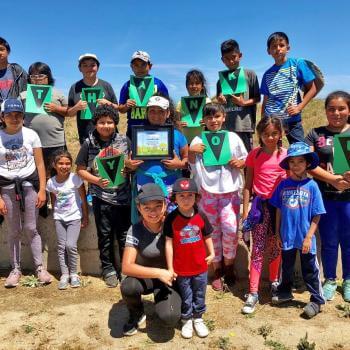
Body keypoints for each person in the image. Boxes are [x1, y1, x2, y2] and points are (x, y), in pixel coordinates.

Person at [188, 103, 247, 291]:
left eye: (217, 117)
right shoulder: (198, 140)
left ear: (223, 118)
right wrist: (191, 152)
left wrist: (240, 163)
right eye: (209, 118)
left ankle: (229, 267)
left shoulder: (233, 137)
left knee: (230, 230)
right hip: (208, 192)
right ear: (203, 120)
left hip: (230, 193)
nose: (213, 121)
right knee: (212, 233)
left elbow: (246, 160)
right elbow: (190, 164)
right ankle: (217, 269)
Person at [76, 104, 131, 287]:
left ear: (115, 123)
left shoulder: (125, 141)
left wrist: (129, 168)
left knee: (124, 235)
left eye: (109, 122)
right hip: (101, 198)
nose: (106, 126)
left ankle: (126, 268)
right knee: (105, 235)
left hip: (123, 197)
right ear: (95, 123)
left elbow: (131, 165)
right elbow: (81, 170)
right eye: (101, 122)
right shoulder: (88, 143)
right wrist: (97, 181)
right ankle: (108, 269)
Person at [270, 142, 326, 318]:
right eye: (292, 162)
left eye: (300, 161)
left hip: (305, 238)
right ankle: (285, 292)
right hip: (287, 236)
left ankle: (317, 300)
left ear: (307, 163)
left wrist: (309, 237)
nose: (296, 165)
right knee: (286, 267)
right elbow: (278, 209)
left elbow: (317, 215)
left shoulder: (312, 186)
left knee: (310, 269)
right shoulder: (283, 185)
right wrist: (277, 233)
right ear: (288, 164)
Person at [0, 99, 52, 287]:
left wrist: (42, 190)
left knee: (31, 228)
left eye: (18, 115)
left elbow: (40, 164)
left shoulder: (31, 135)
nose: (14, 119)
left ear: (23, 116)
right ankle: (15, 269)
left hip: (29, 186)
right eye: (9, 115)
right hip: (6, 188)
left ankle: (39, 267)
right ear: (2, 117)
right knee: (14, 230)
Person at [306, 91, 350, 302]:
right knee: (330, 241)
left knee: (349, 241)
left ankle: (348, 280)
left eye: (341, 108)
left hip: (349, 199)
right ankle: (330, 279)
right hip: (326, 198)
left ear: (349, 110)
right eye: (331, 109)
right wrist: (332, 179)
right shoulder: (315, 134)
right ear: (325, 111)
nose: (336, 113)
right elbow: (308, 164)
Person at [121, 183, 181, 336]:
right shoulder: (135, 229)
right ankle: (136, 313)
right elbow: (127, 267)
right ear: (139, 209)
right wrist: (159, 272)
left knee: (170, 317)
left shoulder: (174, 224)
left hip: (169, 279)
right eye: (147, 207)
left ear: (165, 206)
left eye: (157, 206)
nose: (153, 212)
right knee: (128, 286)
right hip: (146, 278)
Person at [241, 116, 287, 314]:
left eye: (274, 133)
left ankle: (275, 282)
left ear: (281, 134)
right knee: (258, 249)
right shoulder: (254, 155)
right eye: (266, 134)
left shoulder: (286, 155)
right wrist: (245, 212)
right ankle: (253, 291)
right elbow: (248, 185)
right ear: (260, 134)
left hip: (280, 209)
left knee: (276, 246)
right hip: (259, 208)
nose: (270, 137)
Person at [164, 178, 215, 339]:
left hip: (200, 266)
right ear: (175, 199)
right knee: (186, 295)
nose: (186, 200)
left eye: (189, 196)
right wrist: (170, 267)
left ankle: (198, 318)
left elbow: (207, 236)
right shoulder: (171, 219)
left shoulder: (201, 215)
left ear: (196, 197)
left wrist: (212, 253)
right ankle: (186, 319)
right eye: (181, 196)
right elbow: (168, 244)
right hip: (182, 268)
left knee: (200, 293)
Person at [130, 95, 188, 208]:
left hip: (170, 186)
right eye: (152, 111)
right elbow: (130, 160)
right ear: (146, 113)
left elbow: (188, 159)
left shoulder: (178, 135)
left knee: (170, 219)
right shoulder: (139, 135)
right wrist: (129, 165)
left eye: (161, 111)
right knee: (150, 219)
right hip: (144, 185)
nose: (156, 115)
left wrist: (180, 164)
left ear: (168, 113)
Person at [260, 32, 317, 144]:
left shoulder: (298, 64)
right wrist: (263, 121)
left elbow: (313, 89)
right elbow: (266, 100)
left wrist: (299, 107)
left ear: (288, 48)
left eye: (281, 45)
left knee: (299, 152)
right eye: (274, 46)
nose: (278, 49)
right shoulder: (267, 74)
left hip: (292, 120)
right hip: (273, 122)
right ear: (268, 51)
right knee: (272, 153)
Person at [46, 150, 89, 289]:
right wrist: (54, 213)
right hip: (59, 217)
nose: (64, 166)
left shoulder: (75, 178)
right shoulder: (51, 182)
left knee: (70, 245)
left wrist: (85, 216)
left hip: (74, 217)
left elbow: (83, 198)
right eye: (61, 163)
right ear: (54, 164)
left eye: (68, 163)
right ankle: (64, 274)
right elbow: (54, 199)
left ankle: (74, 273)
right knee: (61, 246)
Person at [21, 62, 68, 175]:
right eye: (33, 76)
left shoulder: (58, 94)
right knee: (35, 174)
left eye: (41, 75)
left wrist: (56, 108)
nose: (37, 79)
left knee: (56, 174)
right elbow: (17, 115)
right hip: (31, 143)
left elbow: (69, 112)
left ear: (48, 77)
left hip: (55, 142)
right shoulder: (23, 95)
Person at [217, 39, 260, 152]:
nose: (231, 61)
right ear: (222, 60)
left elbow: (257, 98)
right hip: (226, 126)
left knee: (247, 159)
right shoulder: (220, 80)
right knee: (229, 159)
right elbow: (219, 104)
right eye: (227, 58)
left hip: (244, 125)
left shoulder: (250, 74)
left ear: (240, 55)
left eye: (233, 57)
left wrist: (243, 103)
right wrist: (220, 100)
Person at [68, 53, 119, 144]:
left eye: (92, 65)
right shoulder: (74, 87)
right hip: (86, 135)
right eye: (85, 65)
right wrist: (76, 107)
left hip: (109, 134)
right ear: (80, 68)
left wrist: (108, 103)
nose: (89, 68)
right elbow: (69, 113)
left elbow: (117, 108)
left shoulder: (106, 85)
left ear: (97, 68)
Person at [118, 51, 169, 139]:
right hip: (133, 130)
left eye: (143, 64)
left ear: (150, 66)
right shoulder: (127, 85)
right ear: (131, 67)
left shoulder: (158, 84)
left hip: (155, 129)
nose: (139, 68)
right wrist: (126, 105)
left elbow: (168, 106)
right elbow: (121, 109)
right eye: (136, 65)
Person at [0, 37, 27, 104]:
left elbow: (30, 89)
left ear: (8, 52)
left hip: (16, 112)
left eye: (1, 49)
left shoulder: (18, 71)